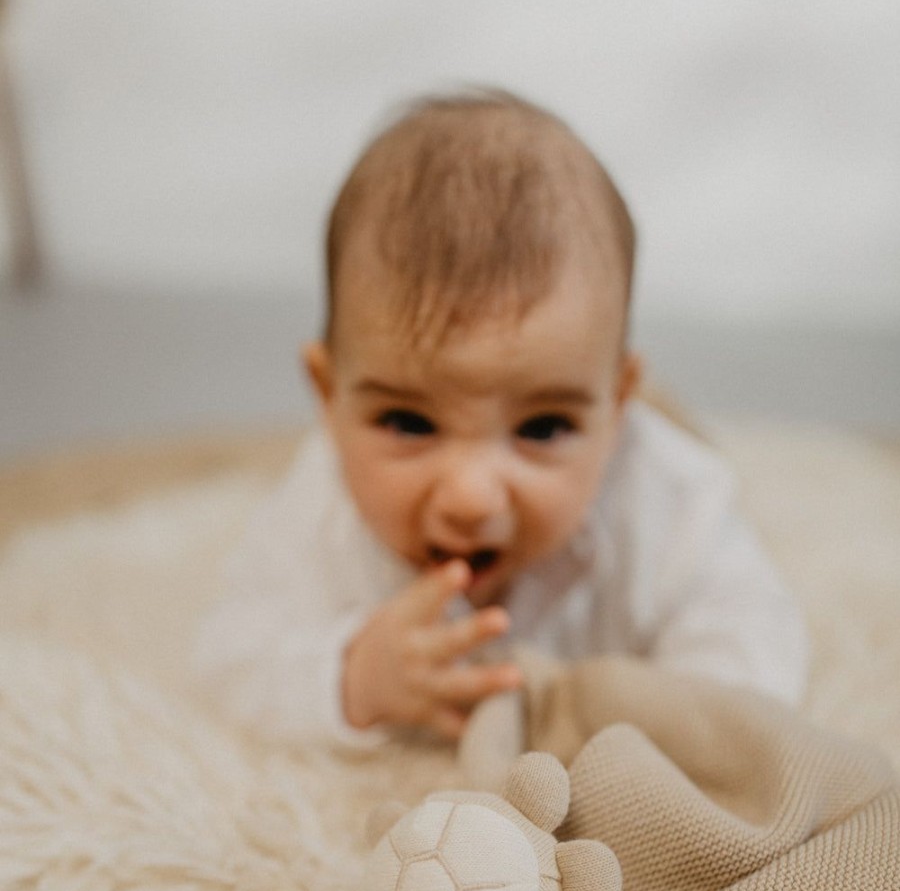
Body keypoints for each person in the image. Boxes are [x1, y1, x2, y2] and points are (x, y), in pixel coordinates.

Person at [193, 88, 807, 748]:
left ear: (616, 405)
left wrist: (677, 729)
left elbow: (753, 627)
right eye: (408, 422)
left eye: (543, 428)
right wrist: (352, 678)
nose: (470, 496)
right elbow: (227, 662)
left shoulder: (666, 497)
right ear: (328, 395)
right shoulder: (321, 510)